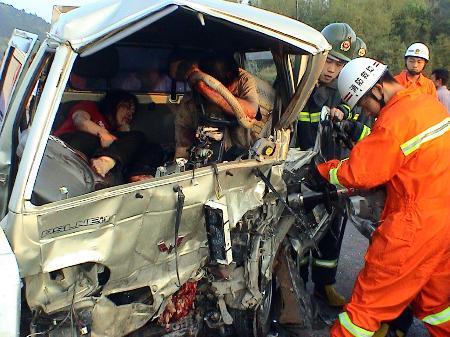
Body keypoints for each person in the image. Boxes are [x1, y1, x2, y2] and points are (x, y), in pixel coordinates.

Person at [315, 57, 450, 337]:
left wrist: (325, 171)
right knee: (437, 304)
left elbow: (360, 172)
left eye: (364, 105)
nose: (369, 113)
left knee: (364, 311)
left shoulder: (394, 120)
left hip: (414, 225)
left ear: (376, 90)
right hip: (442, 220)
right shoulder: (426, 103)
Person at [296, 22, 359, 310]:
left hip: (335, 176)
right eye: (330, 60)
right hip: (299, 175)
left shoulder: (349, 95)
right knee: (297, 232)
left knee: (332, 233)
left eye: (340, 64)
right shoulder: (295, 86)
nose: (333, 69)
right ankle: (296, 284)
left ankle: (325, 285)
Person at [174, 53, 258, 160]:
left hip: (245, 154)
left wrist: (212, 93)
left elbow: (250, 112)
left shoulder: (244, 80)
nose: (230, 92)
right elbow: (182, 148)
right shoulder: (190, 103)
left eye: (230, 89)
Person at [54, 90, 147, 179]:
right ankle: (105, 161)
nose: (130, 114)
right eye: (127, 107)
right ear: (114, 103)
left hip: (91, 153)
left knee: (139, 138)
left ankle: (137, 174)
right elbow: (80, 120)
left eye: (132, 113)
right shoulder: (91, 107)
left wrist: (124, 132)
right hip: (68, 141)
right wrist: (102, 132)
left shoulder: (113, 131)